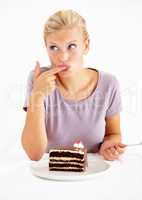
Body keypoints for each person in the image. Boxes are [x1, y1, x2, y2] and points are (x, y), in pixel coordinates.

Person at [21, 9, 126, 161]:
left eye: (71, 46)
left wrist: (109, 146)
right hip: (51, 177)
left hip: (94, 174)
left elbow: (113, 134)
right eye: (54, 47)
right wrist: (37, 96)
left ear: (86, 45)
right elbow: (34, 154)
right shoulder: (38, 80)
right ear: (46, 47)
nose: (62, 57)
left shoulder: (109, 84)